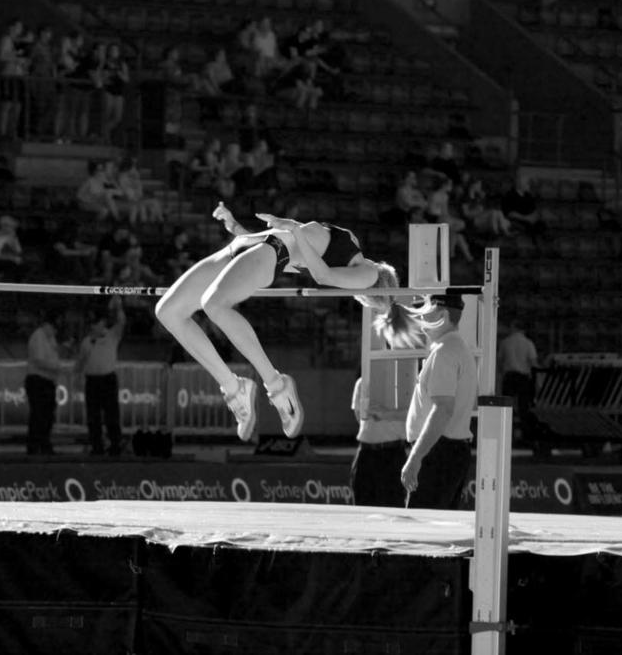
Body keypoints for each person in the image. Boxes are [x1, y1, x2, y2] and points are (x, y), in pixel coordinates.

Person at [154, 202, 421, 442]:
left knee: (215, 305)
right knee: (168, 312)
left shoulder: (363, 272)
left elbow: (322, 274)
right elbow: (313, 266)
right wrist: (236, 226)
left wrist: (295, 230)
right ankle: (235, 387)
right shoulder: (361, 264)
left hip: (270, 249)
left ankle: (276, 386)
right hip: (247, 245)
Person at [400, 294, 477, 509]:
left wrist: (415, 458)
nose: (421, 320)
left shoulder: (444, 352)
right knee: (438, 528)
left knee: (422, 531)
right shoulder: (457, 348)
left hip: (438, 452)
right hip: (448, 450)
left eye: (426, 313)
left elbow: (442, 409)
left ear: (442, 315)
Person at [74, 296, 126, 456]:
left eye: (98, 323)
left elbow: (122, 322)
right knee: (93, 416)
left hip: (108, 379)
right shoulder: (86, 342)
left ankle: (115, 445)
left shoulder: (112, 336)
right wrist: (76, 377)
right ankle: (97, 446)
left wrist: (119, 307)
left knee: (112, 414)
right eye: (94, 323)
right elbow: (81, 362)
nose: (95, 326)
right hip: (93, 381)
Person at [350, 372, 409, 508]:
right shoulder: (362, 382)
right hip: (367, 452)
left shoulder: (405, 381)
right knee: (363, 505)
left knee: (394, 505)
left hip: (393, 453)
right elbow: (359, 415)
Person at [24, 308, 65, 455]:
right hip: (37, 380)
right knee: (38, 415)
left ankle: (44, 443)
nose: (55, 330)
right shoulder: (38, 337)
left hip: (48, 381)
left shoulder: (51, 338)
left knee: (48, 415)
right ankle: (34, 446)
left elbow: (52, 355)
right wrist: (57, 368)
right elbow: (39, 360)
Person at [498, 320, 538, 435]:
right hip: (523, 378)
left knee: (507, 407)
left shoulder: (505, 342)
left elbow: (500, 362)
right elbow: (533, 363)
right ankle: (525, 433)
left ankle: (506, 432)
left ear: (513, 327)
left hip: (509, 377)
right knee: (523, 407)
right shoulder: (528, 343)